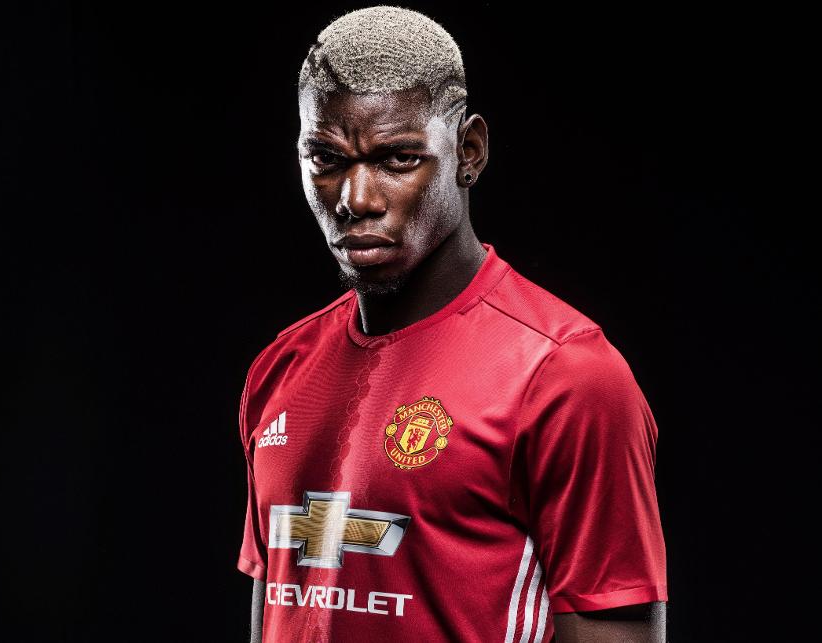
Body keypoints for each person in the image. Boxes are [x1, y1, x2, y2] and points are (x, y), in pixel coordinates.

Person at [236, 6, 667, 642]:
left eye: (398, 159)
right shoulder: (281, 368)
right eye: (325, 157)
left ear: (469, 151)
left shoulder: (565, 376)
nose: (355, 199)